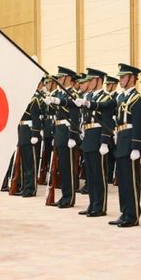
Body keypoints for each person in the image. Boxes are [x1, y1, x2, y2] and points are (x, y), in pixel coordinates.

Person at [75, 68, 115, 217]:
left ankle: (100, 206)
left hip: (98, 137)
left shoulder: (106, 98)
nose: (89, 83)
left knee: (99, 174)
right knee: (90, 175)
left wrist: (105, 141)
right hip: (88, 137)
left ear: (99, 80)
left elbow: (107, 120)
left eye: (91, 80)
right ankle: (92, 203)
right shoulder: (88, 96)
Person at [108, 64, 141, 228]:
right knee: (122, 180)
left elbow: (138, 124)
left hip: (130, 142)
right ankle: (125, 212)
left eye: (123, 77)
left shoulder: (137, 99)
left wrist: (136, 146)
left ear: (132, 78)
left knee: (131, 180)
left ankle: (133, 214)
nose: (120, 80)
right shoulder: (121, 98)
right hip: (121, 140)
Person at [44, 66, 81, 208]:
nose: (58, 79)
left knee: (68, 167)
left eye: (60, 77)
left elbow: (75, 117)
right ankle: (64, 196)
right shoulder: (60, 94)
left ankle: (69, 198)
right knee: (61, 167)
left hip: (67, 132)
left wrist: (73, 135)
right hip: (59, 132)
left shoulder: (73, 94)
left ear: (67, 78)